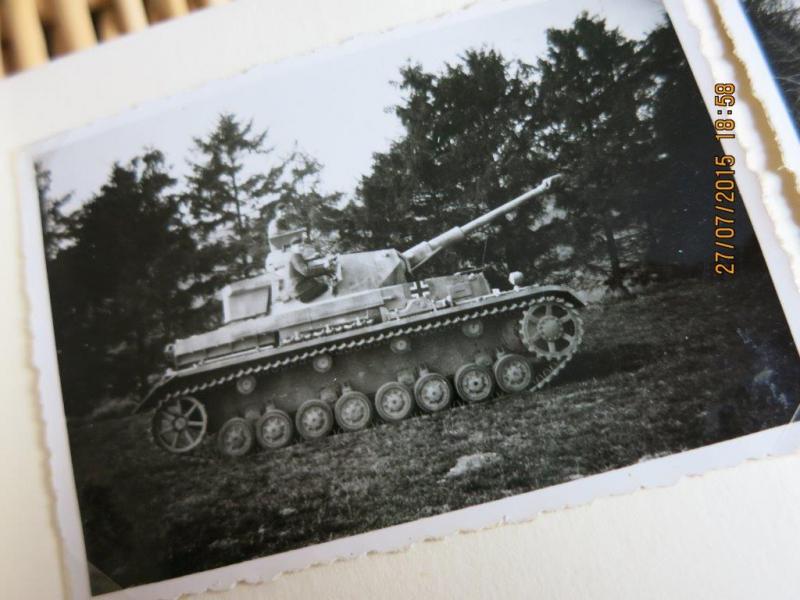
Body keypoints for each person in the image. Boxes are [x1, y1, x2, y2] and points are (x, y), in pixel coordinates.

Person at [265, 207, 336, 304]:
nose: (301, 247)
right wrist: (325, 270)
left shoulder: (293, 255)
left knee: (319, 282)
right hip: (300, 291)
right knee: (325, 286)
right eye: (299, 246)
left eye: (301, 246)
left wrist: (323, 268)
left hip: (298, 289)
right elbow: (306, 271)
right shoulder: (294, 255)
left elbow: (306, 268)